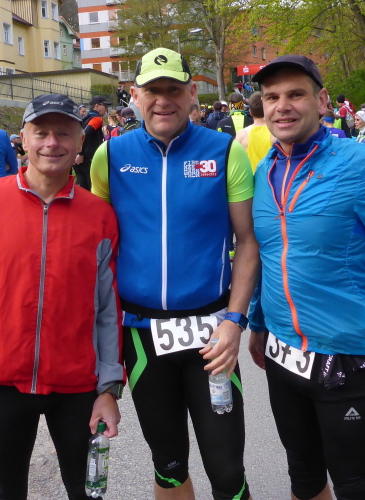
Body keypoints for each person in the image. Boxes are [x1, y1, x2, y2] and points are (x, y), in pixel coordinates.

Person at [247, 54, 365, 500]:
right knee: (303, 479)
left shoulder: (362, 165)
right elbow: (268, 255)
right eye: (272, 97)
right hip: (281, 354)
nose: (282, 106)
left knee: (353, 486)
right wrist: (257, 323)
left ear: (322, 100)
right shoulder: (264, 171)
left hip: (344, 359)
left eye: (296, 94)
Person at [0, 93, 125, 499]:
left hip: (77, 386)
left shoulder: (100, 215)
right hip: (0, 383)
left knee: (87, 493)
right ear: (22, 139)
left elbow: (108, 309)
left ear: (79, 144)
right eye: (41, 133)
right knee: (5, 494)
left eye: (63, 133)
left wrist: (108, 388)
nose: (52, 143)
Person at [90, 47, 258, 500]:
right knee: (168, 466)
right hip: (143, 337)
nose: (163, 100)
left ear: (191, 93)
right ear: (134, 95)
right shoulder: (110, 155)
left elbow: (248, 241)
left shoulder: (224, 151)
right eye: (152, 91)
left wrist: (235, 320)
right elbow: (97, 248)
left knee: (227, 469)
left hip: (211, 334)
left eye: (174, 90)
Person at [74, 95, 109, 190]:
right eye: (105, 106)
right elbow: (85, 134)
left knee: (82, 185)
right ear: (97, 106)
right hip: (87, 157)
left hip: (79, 156)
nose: (106, 109)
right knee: (92, 187)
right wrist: (81, 154)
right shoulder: (97, 119)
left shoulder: (84, 118)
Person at [236, 91, 275, 171]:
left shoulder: (241, 135)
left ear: (250, 112)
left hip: (251, 178)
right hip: (271, 177)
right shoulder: (276, 133)